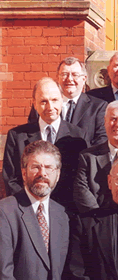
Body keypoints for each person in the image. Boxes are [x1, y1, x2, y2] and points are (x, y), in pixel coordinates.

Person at [0, 140, 69, 280]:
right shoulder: (5, 211)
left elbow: (66, 275)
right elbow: (3, 275)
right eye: (35, 166)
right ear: (23, 172)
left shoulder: (63, 216)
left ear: (57, 173)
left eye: (49, 167)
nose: (42, 172)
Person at [3, 77, 88, 212]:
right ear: (34, 104)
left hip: (65, 212)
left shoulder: (78, 136)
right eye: (43, 101)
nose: (50, 107)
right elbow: (10, 179)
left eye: (54, 100)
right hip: (27, 210)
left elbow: (80, 180)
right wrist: (32, 205)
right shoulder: (17, 136)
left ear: (62, 101)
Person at [28, 57, 108, 146]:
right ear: (57, 77)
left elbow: (101, 140)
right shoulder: (42, 105)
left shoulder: (98, 107)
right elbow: (32, 134)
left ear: (84, 78)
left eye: (75, 75)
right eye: (64, 74)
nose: (69, 79)